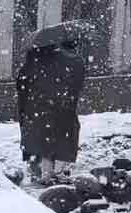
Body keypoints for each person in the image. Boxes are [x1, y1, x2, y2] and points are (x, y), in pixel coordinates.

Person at [16, 40, 86, 185]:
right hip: (63, 108)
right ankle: (58, 172)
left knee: (43, 142)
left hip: (36, 109)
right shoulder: (71, 62)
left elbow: (21, 86)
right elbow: (77, 84)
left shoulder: (32, 63)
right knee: (64, 139)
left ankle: (45, 174)